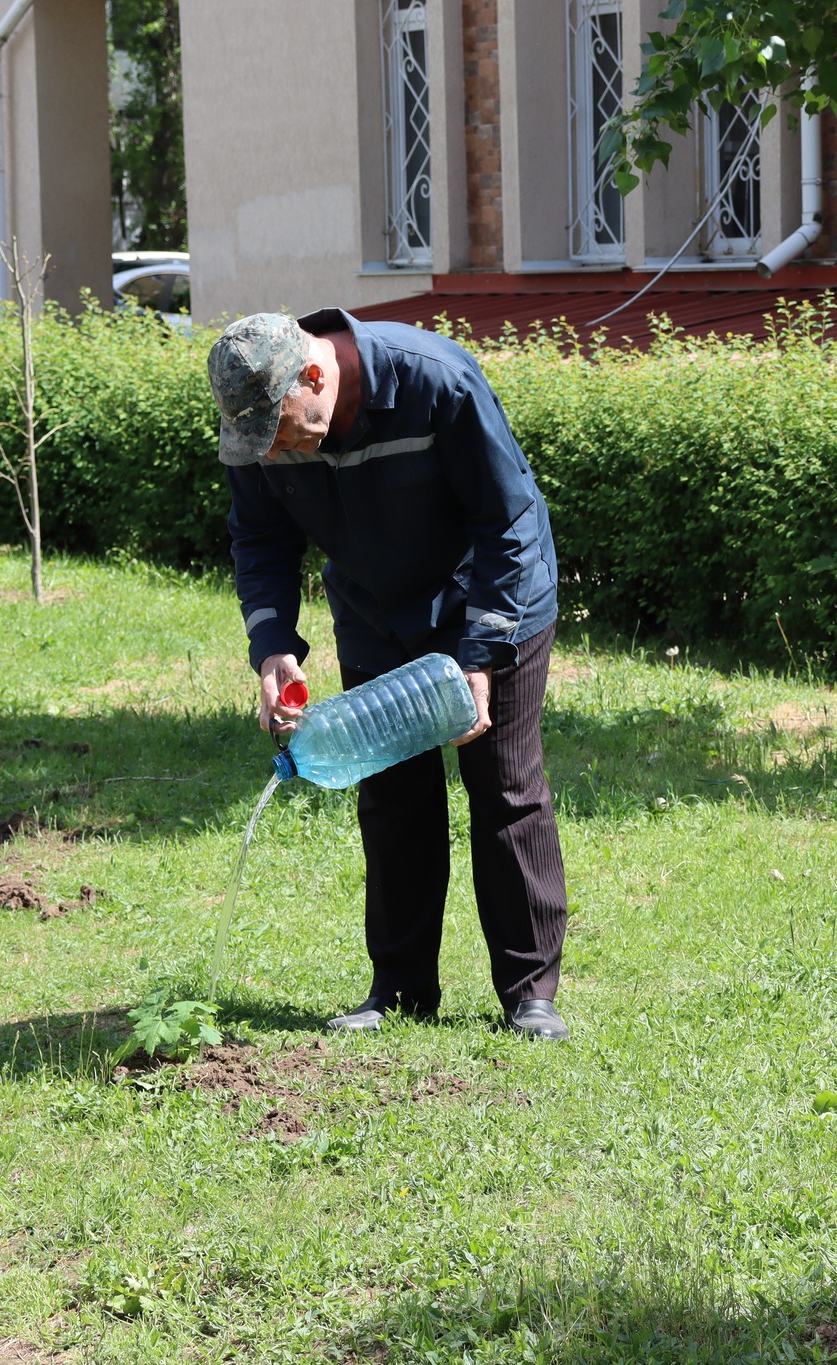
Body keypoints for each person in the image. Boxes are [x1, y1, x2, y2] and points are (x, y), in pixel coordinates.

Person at [207, 309, 570, 1042]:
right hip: (378, 612)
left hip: (492, 601)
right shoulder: (262, 435)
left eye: (278, 431)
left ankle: (530, 993)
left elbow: (508, 522)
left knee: (502, 785)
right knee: (393, 795)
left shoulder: (435, 381)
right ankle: (401, 988)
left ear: (314, 376)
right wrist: (273, 647)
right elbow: (261, 540)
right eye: (256, 444)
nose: (270, 453)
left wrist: (480, 655)